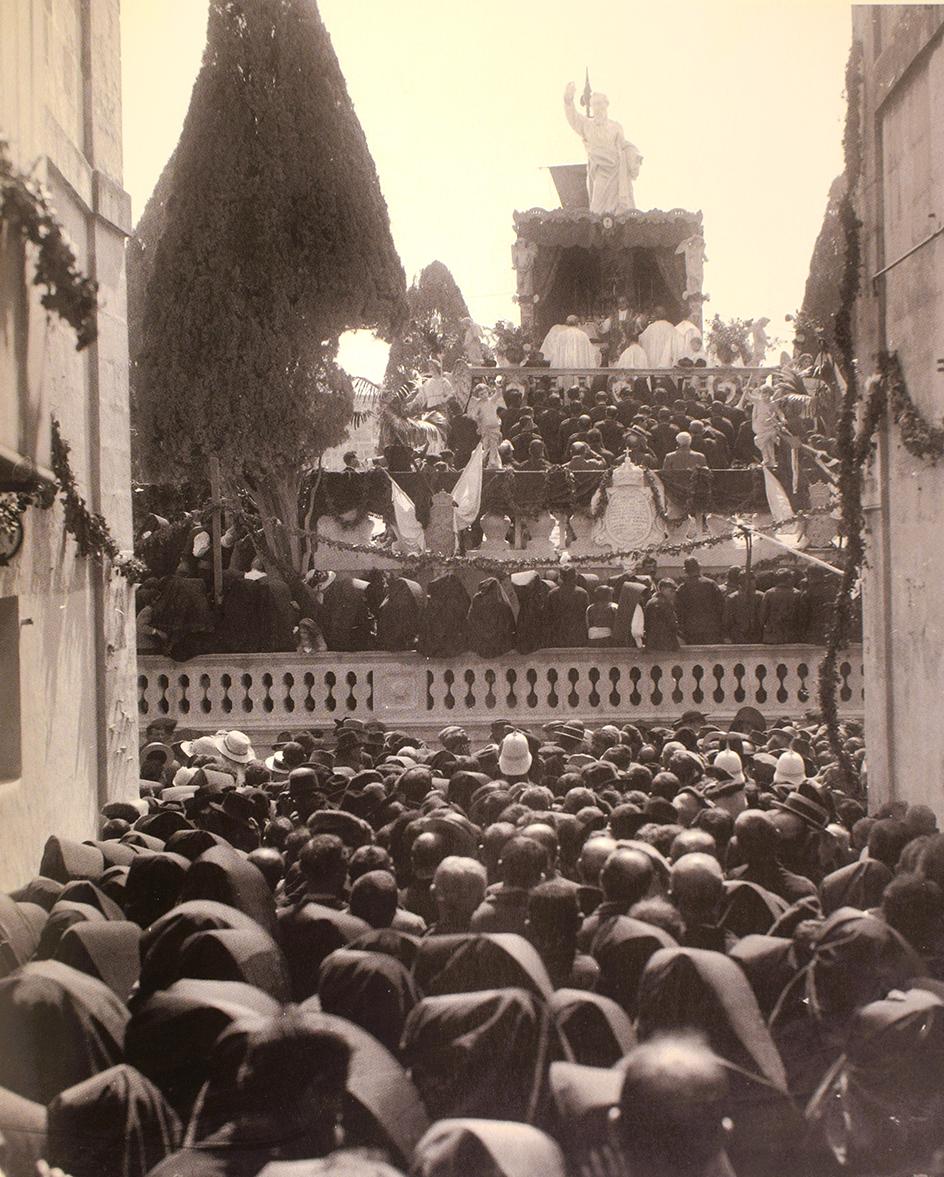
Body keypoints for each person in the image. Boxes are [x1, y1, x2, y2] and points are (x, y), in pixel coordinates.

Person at [563, 81, 642, 214]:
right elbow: (573, 118)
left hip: (617, 171)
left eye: (600, 103)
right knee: (597, 208)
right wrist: (568, 99)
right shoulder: (587, 125)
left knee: (620, 211)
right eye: (594, 104)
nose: (597, 107)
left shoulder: (616, 127)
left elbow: (624, 146)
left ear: (606, 104)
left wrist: (634, 156)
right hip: (599, 171)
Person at [674, 558, 725, 645]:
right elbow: (721, 607)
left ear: (685, 571)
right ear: (699, 568)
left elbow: (679, 612)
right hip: (711, 630)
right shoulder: (711, 584)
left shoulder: (682, 588)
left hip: (691, 631)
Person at [644, 579, 681, 651]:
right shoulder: (664, 603)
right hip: (666, 644)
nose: (673, 594)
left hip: (652, 643)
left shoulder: (650, 601)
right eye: (671, 591)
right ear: (663, 589)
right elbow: (672, 624)